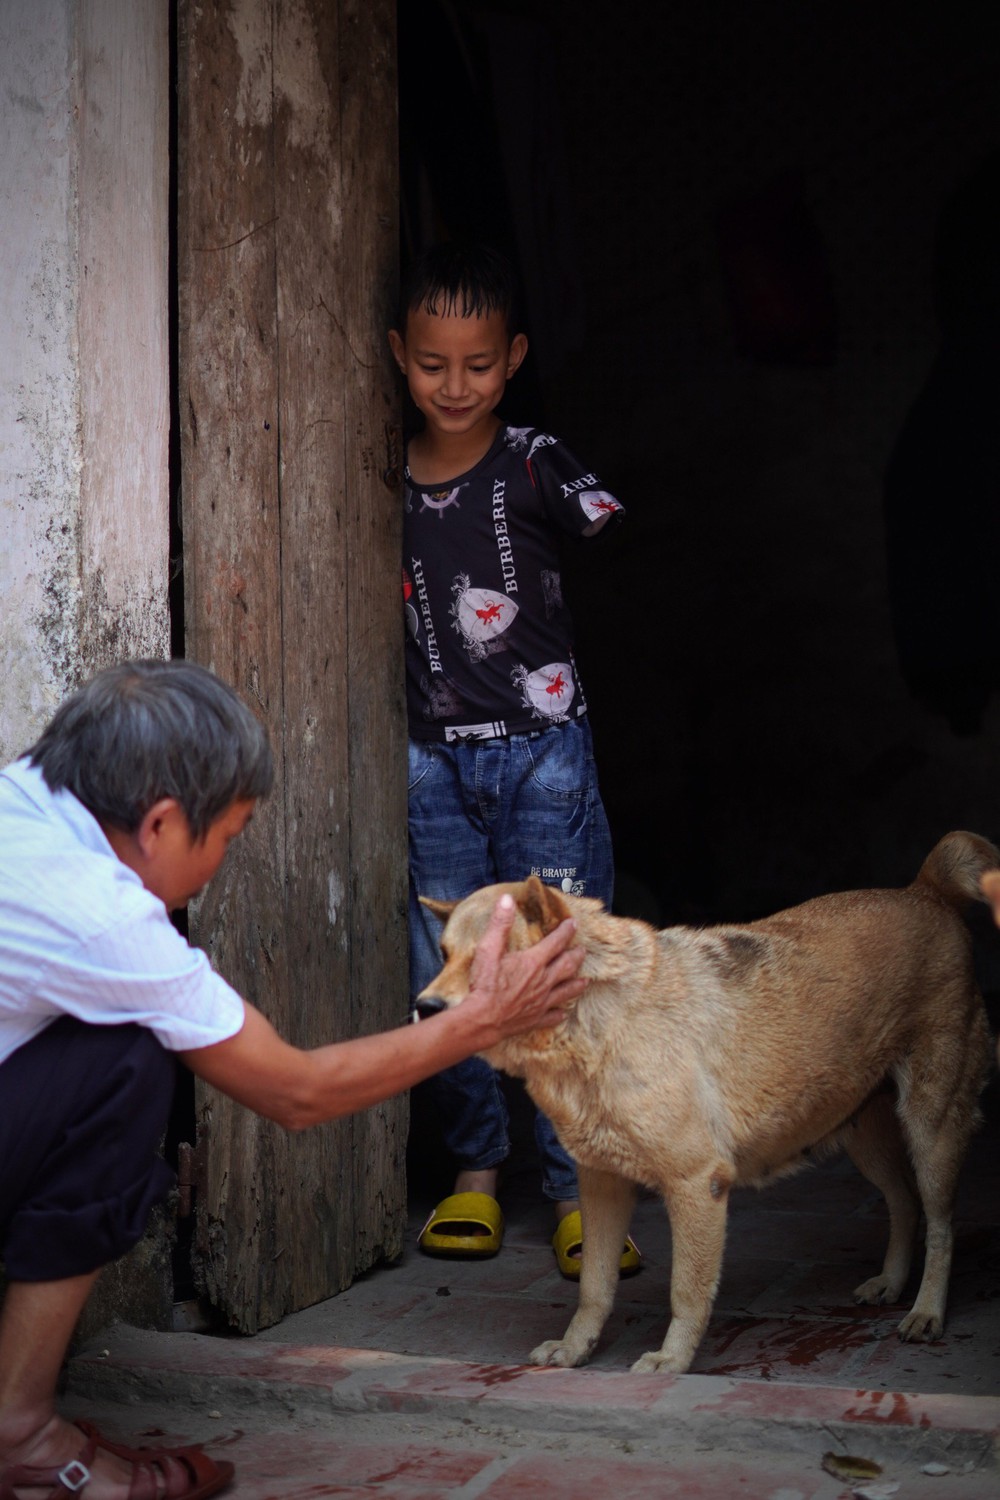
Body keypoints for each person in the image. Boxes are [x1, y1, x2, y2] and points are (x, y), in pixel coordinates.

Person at [0, 658, 585, 1500]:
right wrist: (482, 1023)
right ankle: (20, 1434)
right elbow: (296, 1092)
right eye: (229, 837)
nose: (222, 863)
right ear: (162, 822)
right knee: (126, 1063)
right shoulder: (101, 916)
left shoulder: (29, 792)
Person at [389, 240, 634, 1277]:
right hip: (431, 756)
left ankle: (583, 1184)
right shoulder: (377, 473)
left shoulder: (535, 462)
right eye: (433, 363)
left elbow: (608, 532)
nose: (455, 385)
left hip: (544, 753)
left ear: (515, 357)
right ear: (400, 356)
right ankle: (475, 1176)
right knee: (443, 963)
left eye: (479, 364)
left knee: (561, 955)